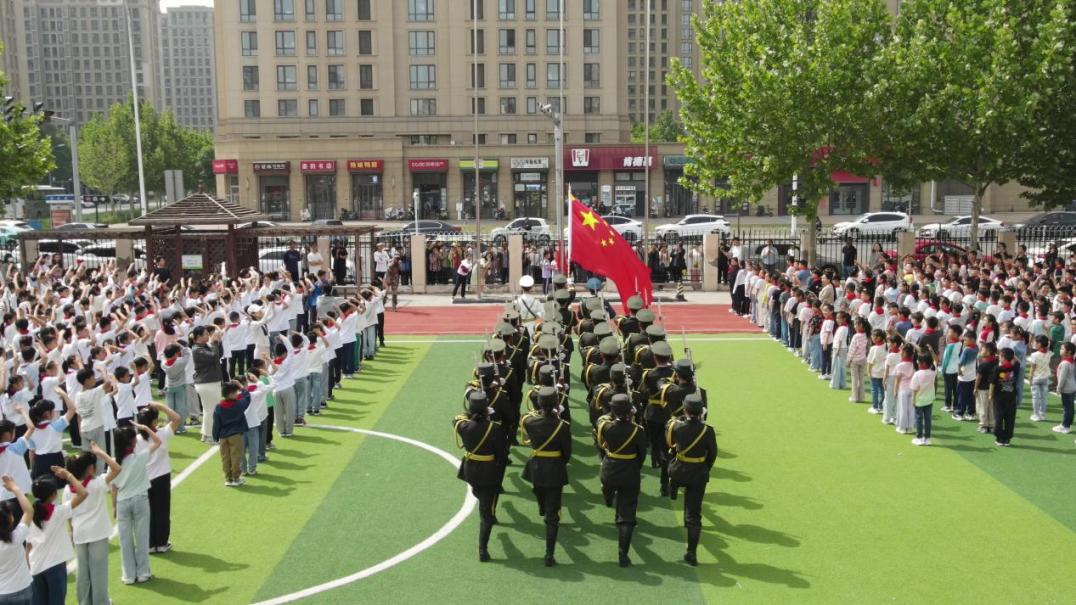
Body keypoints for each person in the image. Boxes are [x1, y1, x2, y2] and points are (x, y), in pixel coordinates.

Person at [519, 386, 571, 567]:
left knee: (539, 493)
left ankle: (543, 507)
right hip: (555, 469)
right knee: (552, 517)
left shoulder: (529, 421)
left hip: (537, 468)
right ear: (556, 404)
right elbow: (567, 454)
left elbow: (526, 417)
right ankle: (549, 554)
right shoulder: (562, 426)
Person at [453, 391, 508, 562]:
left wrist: (474, 413)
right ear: (486, 409)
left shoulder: (463, 426)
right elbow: (502, 455)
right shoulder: (495, 429)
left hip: (470, 470)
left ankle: (483, 503)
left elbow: (457, 418)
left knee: (480, 495)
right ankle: (482, 549)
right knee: (486, 513)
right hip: (488, 472)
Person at [104, 424, 160, 585]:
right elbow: (157, 441)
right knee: (142, 538)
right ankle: (143, 573)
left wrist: (113, 506)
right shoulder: (140, 457)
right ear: (132, 441)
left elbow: (114, 487)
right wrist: (145, 428)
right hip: (140, 500)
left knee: (125, 540)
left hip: (122, 502)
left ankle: (128, 575)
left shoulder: (113, 463)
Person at [666, 393, 717, 567]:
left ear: (685, 410)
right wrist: (704, 468)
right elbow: (712, 454)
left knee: (670, 465)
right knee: (694, 516)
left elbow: (670, 444)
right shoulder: (707, 430)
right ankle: (692, 553)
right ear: (701, 412)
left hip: (679, 470)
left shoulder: (675, 426)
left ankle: (673, 488)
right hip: (698, 473)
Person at [596, 393, 647, 567]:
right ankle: (623, 555)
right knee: (627, 516)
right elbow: (641, 455)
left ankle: (608, 497)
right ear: (630, 410)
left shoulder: (605, 426)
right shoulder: (638, 430)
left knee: (608, 487)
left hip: (610, 467)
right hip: (630, 471)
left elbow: (601, 441)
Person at [28, 466, 89, 605]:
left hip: (35, 567)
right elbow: (83, 493)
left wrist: (29, 568)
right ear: (53, 495)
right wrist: (68, 475)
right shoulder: (58, 512)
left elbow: (28, 546)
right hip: (55, 567)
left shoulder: (29, 515)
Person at [66, 451, 111, 605]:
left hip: (79, 532)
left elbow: (67, 512)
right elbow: (116, 469)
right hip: (98, 532)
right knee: (99, 572)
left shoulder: (68, 489)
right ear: (90, 468)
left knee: (83, 572)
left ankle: (84, 602)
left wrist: (71, 530)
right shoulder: (97, 483)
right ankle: (100, 602)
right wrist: (100, 452)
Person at [137, 403, 181, 554]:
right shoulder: (161, 434)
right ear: (154, 422)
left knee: (147, 512)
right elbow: (176, 419)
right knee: (162, 511)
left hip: (144, 478)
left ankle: (150, 544)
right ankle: (161, 543)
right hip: (161, 477)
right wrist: (161, 407)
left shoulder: (137, 439)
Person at [0, 474, 33, 604]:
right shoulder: (16, 537)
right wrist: (15, 488)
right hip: (22, 589)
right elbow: (28, 511)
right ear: (9, 519)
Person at [214, 381, 251, 487]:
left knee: (225, 458)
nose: (237, 394)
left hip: (223, 436)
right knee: (235, 457)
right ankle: (236, 478)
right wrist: (241, 387)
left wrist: (216, 436)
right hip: (235, 435)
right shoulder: (238, 405)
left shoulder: (218, 406)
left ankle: (228, 478)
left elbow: (216, 423)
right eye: (235, 392)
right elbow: (248, 397)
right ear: (231, 394)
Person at [191, 325, 224, 444]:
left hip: (209, 382)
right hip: (207, 383)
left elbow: (219, 354)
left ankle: (205, 434)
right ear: (199, 336)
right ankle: (211, 436)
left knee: (208, 410)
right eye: (205, 334)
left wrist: (218, 342)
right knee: (212, 410)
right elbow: (214, 357)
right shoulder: (197, 349)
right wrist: (214, 342)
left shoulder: (204, 346)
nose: (208, 336)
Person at [992, 347, 1020, 447]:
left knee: (998, 417)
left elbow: (993, 383)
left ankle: (999, 438)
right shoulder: (1015, 367)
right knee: (1010, 418)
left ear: (1003, 357)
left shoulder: (998, 369)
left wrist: (990, 395)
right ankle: (1007, 439)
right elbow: (1018, 361)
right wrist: (1012, 356)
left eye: (1000, 356)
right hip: (1011, 397)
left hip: (999, 397)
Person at [910, 355, 938, 445]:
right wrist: (931, 351)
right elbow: (936, 360)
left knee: (918, 419)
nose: (917, 363)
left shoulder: (917, 374)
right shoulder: (933, 372)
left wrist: (913, 399)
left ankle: (919, 438)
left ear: (924, 363)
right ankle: (927, 438)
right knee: (928, 419)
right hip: (929, 400)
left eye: (918, 362)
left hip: (919, 400)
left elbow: (914, 389)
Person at [1054, 342, 1076, 435]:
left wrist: (1058, 388)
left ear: (1069, 352)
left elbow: (1062, 378)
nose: (1060, 350)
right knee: (1070, 407)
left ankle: (1065, 426)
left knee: (1067, 408)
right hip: (1072, 386)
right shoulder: (1072, 361)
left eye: (1062, 349)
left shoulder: (1065, 363)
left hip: (1067, 388)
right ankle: (1068, 424)